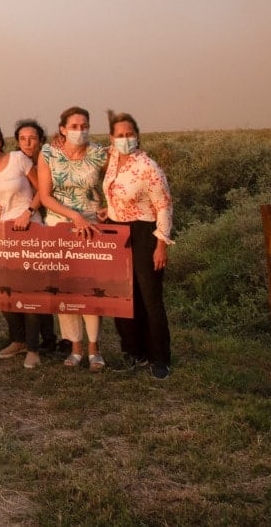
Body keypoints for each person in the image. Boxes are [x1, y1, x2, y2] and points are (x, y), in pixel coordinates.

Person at [100, 111, 174, 380]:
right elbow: (113, 192)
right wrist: (106, 210)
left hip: (144, 232)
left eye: (129, 133)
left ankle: (160, 358)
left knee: (150, 298)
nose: (125, 139)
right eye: (119, 135)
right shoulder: (113, 159)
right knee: (124, 297)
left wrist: (161, 244)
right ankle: (134, 352)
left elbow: (164, 206)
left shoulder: (148, 167)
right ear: (112, 137)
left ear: (137, 134)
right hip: (117, 231)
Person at [38, 106, 110, 371]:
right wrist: (72, 216)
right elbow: (45, 195)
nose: (80, 131)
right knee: (65, 288)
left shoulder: (100, 153)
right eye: (74, 126)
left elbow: (114, 183)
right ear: (63, 129)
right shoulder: (49, 153)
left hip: (92, 227)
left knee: (91, 289)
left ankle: (94, 348)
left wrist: (108, 209)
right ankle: (75, 347)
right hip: (58, 225)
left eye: (84, 126)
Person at [0, 121, 45, 369]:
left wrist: (29, 211)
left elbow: (43, 190)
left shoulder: (18, 159)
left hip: (29, 227)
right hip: (2, 234)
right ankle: (18, 339)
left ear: (1, 140)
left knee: (30, 291)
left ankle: (34, 348)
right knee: (5, 289)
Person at [12, 119, 57, 353]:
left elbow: (44, 190)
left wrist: (29, 211)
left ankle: (49, 338)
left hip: (47, 223)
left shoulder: (47, 159)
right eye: (22, 138)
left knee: (42, 283)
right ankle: (30, 338)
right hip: (30, 225)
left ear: (41, 139)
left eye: (32, 138)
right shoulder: (17, 161)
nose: (27, 143)